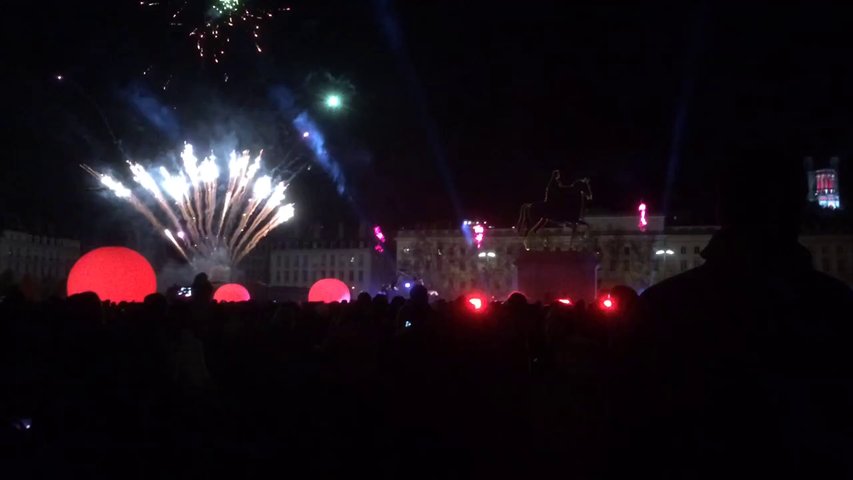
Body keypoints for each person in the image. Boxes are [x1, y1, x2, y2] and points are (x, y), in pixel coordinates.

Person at [612, 151, 853, 478]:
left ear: (721, 209)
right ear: (799, 207)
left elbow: (630, 431)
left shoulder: (662, 307)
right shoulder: (837, 307)